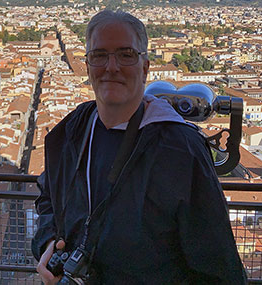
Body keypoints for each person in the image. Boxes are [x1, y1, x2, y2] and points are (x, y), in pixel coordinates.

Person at [32, 9, 247, 284]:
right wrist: (48, 243)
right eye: (99, 55)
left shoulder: (182, 149)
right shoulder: (72, 129)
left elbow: (217, 267)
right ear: (87, 66)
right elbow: (48, 197)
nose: (111, 67)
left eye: (125, 55)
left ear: (145, 67)